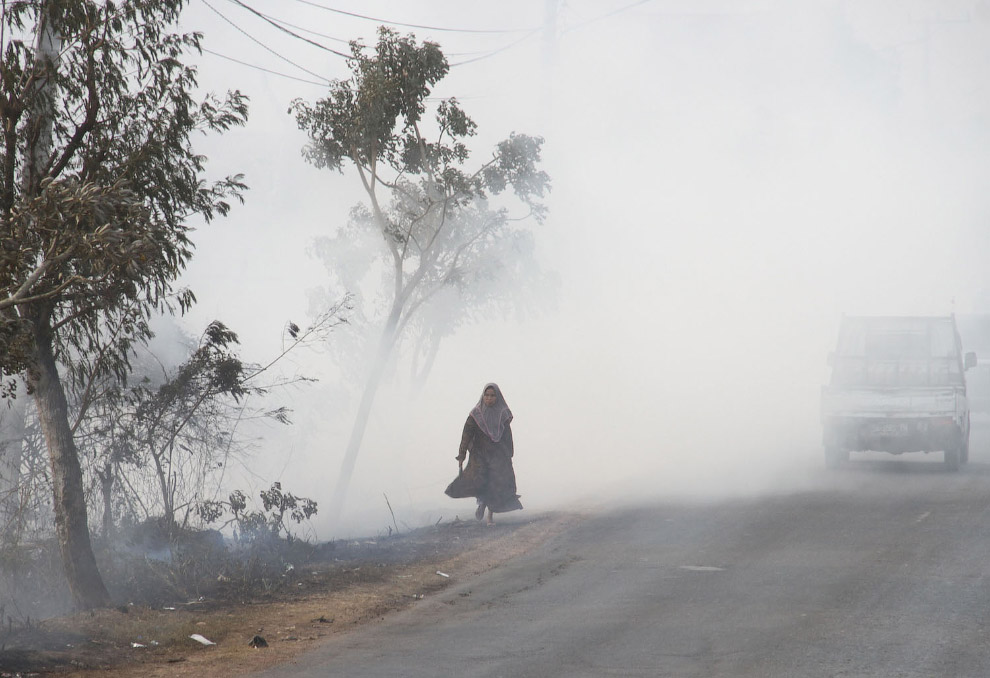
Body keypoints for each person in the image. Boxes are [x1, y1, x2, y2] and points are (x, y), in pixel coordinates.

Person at [444, 383, 523, 526]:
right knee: (481, 481)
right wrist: (462, 455)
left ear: (497, 397)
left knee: (495, 483)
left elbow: (507, 435)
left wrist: (509, 453)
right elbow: (466, 435)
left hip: (497, 456)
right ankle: (482, 503)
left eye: (493, 396)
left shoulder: (503, 413)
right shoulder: (476, 414)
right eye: (487, 395)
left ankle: (489, 517)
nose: (489, 399)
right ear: (483, 396)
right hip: (479, 455)